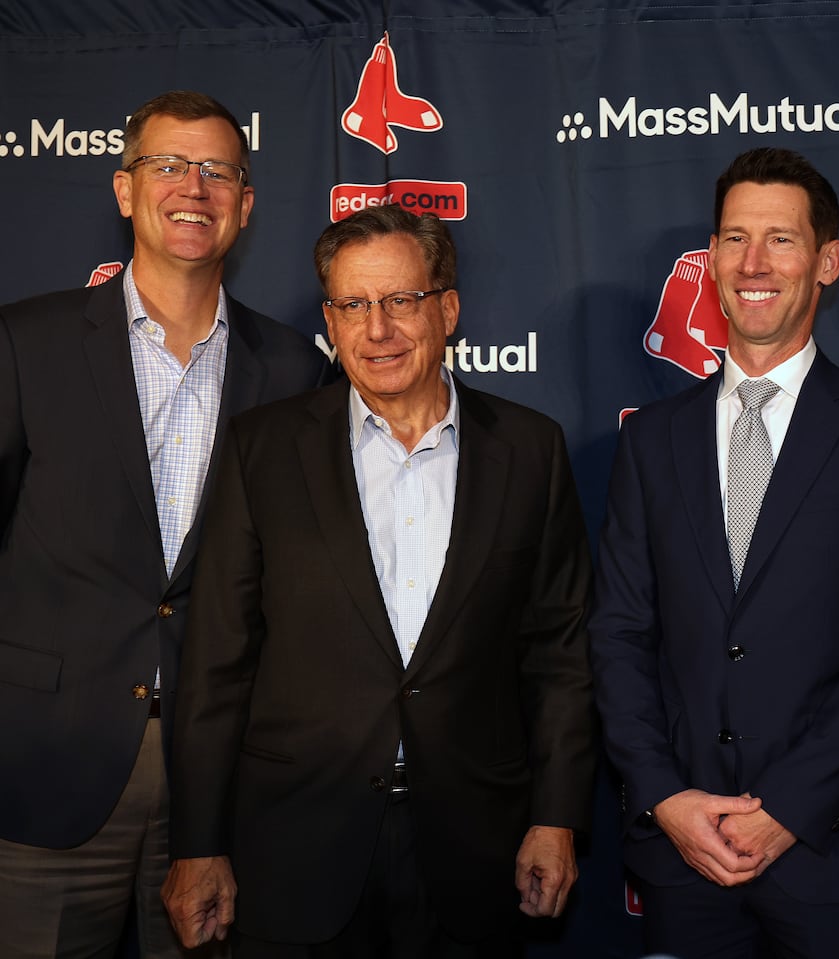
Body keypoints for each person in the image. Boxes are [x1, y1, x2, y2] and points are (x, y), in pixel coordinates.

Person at [161, 204, 594, 958]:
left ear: (448, 308)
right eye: (353, 306)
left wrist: (555, 817)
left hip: (473, 848)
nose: (377, 329)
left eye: (401, 300)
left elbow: (559, 656)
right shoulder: (263, 449)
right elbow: (216, 663)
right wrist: (198, 841)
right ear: (330, 318)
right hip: (296, 850)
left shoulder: (530, 450)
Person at [589, 147, 839, 958]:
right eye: (733, 239)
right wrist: (665, 799)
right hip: (683, 858)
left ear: (827, 261)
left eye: (781, 240)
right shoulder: (651, 441)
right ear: (712, 256)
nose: (753, 264)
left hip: (833, 853)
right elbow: (617, 632)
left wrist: (787, 807)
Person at [0, 89, 332, 957]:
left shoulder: (296, 369)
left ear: (247, 204)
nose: (196, 187)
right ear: (124, 189)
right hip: (44, 772)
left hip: (221, 790)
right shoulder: (24, 343)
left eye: (220, 170)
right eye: (170, 164)